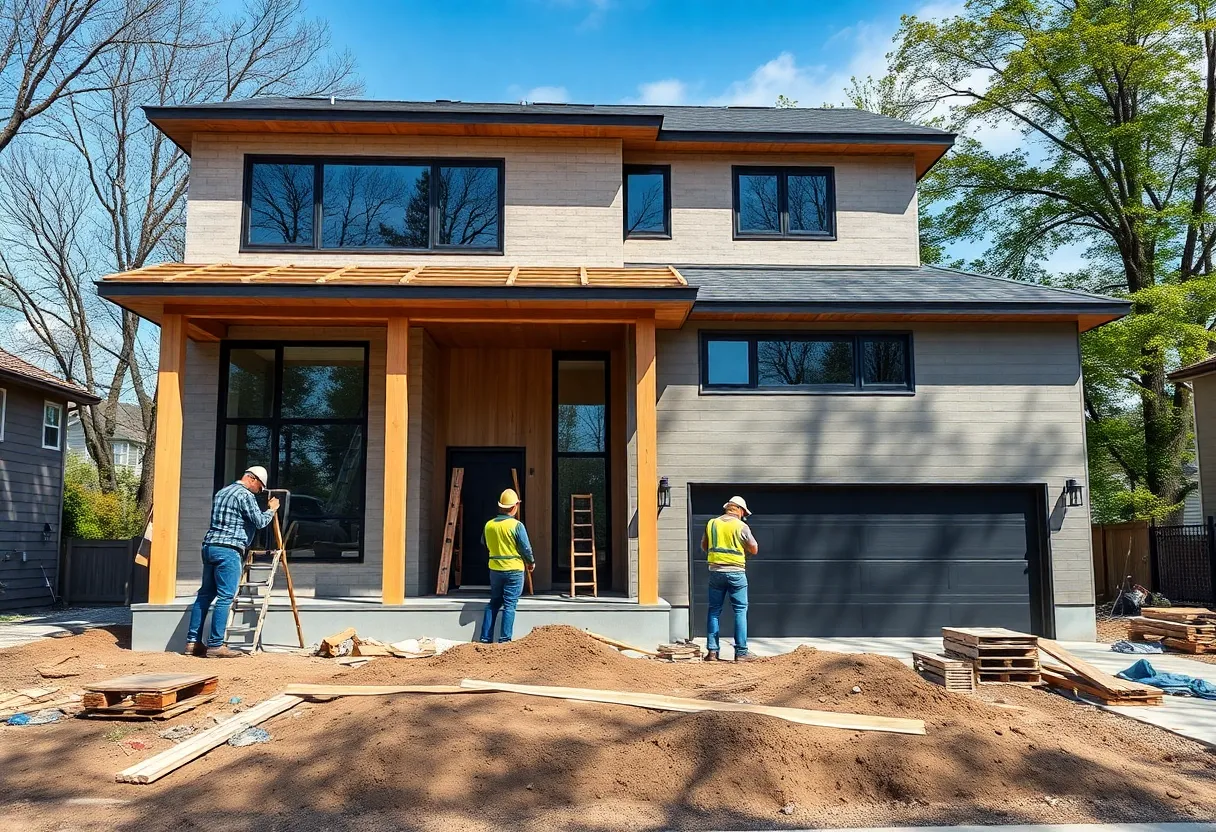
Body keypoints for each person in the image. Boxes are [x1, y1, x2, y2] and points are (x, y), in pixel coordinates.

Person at [183, 466, 280, 658]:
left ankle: (192, 643)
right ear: (252, 479)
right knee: (226, 597)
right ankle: (215, 645)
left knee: (204, 595)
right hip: (229, 549)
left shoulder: (222, 492)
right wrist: (271, 509)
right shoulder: (244, 495)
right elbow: (260, 522)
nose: (259, 491)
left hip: (210, 547)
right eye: (260, 487)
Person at [701, 495, 759, 662]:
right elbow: (754, 548)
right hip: (736, 573)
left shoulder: (712, 524)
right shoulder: (741, 526)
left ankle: (712, 651)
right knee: (740, 611)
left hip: (715, 572)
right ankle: (741, 653)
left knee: (714, 611)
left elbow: (704, 545)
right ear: (739, 510)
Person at [478, 488, 535, 644]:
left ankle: (485, 638)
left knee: (494, 602)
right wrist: (530, 563)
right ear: (515, 506)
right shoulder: (517, 525)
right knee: (510, 604)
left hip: (495, 569)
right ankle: (504, 640)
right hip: (514, 569)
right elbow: (526, 548)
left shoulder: (489, 525)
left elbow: (485, 543)